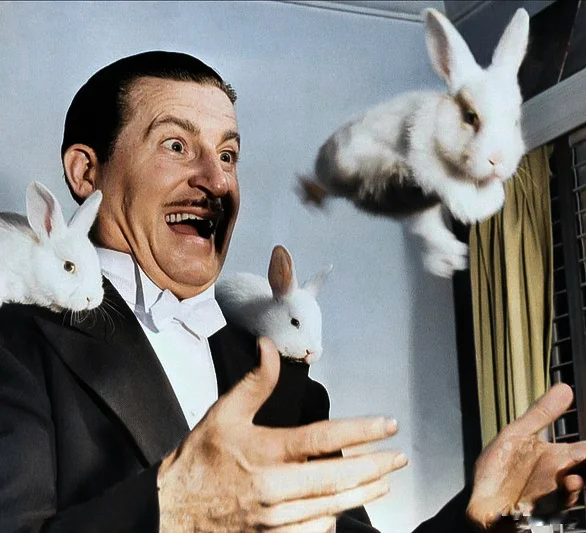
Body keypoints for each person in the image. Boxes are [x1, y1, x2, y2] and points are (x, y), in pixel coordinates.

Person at [0, 50, 584, 533]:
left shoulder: (283, 383)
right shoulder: (15, 347)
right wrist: (170, 511)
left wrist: (475, 517)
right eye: (176, 146)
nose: (217, 180)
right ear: (86, 172)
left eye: (228, 155)